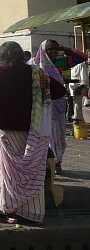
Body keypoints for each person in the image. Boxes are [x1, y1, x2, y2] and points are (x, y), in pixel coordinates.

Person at [0, 41, 66, 223]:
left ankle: (10, 211)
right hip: (33, 130)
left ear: (4, 56)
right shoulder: (36, 73)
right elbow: (59, 91)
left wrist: (0, 104)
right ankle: (31, 210)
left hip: (6, 130)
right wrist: (39, 102)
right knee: (31, 171)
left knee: (8, 173)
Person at [33, 39, 87, 174]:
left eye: (55, 49)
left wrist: (65, 48)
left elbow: (83, 57)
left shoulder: (61, 62)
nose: (53, 52)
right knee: (46, 135)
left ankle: (57, 162)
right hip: (42, 107)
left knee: (59, 136)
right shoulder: (35, 64)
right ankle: (48, 164)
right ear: (43, 50)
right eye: (50, 49)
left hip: (58, 107)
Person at [70, 57, 89, 123]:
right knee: (75, 104)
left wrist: (79, 88)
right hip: (72, 89)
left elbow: (85, 80)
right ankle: (80, 121)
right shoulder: (70, 66)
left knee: (77, 104)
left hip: (80, 88)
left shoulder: (81, 64)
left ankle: (77, 120)